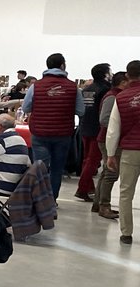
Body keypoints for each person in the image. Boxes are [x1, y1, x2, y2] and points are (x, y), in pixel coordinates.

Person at [20, 53, 84, 199]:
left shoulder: (36, 86)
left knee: (40, 168)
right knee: (56, 169)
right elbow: (81, 111)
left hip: (40, 133)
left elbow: (26, 108)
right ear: (62, 65)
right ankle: (51, 201)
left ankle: (38, 200)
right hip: (62, 134)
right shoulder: (73, 87)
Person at [105, 60, 140, 245]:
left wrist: (110, 154)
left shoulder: (122, 97)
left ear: (127, 76)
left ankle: (126, 233)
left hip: (130, 150)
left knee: (126, 192)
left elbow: (113, 129)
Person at [75, 63, 113, 202]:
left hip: (85, 127)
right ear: (105, 74)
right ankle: (82, 188)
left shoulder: (87, 89)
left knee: (87, 160)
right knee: (93, 161)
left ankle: (88, 187)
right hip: (98, 129)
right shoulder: (106, 90)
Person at [94, 71, 129, 219]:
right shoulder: (113, 97)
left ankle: (98, 203)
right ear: (122, 83)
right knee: (111, 173)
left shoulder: (113, 95)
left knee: (106, 173)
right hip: (109, 139)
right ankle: (104, 205)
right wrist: (119, 127)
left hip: (108, 138)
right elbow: (104, 119)